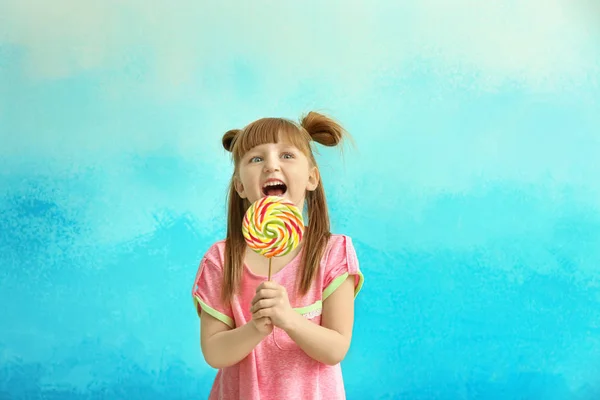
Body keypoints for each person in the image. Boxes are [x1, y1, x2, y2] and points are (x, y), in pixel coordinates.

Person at [191, 111, 364, 399]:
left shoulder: (332, 253)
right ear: (240, 185)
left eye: (286, 155)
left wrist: (289, 319)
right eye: (256, 158)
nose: (271, 165)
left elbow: (335, 349)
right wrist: (256, 328)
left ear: (312, 178)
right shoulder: (221, 259)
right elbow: (214, 353)